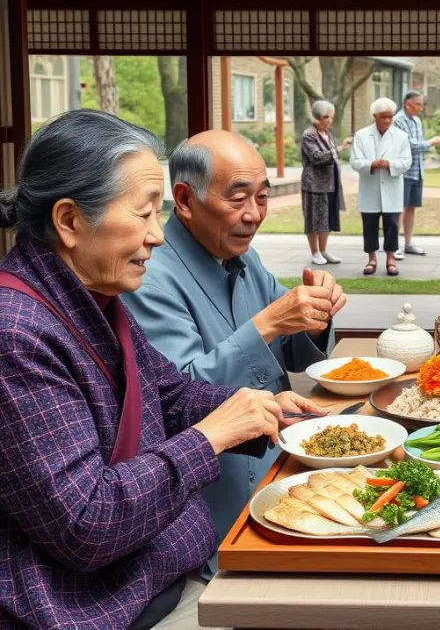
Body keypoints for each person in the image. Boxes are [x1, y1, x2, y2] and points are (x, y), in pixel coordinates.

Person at [0, 110, 320, 629]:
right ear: (69, 221)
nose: (157, 236)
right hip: (99, 609)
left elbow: (167, 392)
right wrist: (211, 436)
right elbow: (85, 523)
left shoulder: (93, 297)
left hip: (160, 578)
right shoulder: (17, 333)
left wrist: (254, 408)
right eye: (144, 214)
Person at [122, 129, 341, 576]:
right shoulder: (150, 276)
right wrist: (269, 323)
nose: (254, 215)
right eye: (238, 198)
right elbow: (176, 397)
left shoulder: (242, 257)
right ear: (183, 199)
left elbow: (298, 354)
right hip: (217, 496)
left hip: (284, 453)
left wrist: (316, 314)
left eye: (262, 197)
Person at [349, 97, 412, 277]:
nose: (387, 121)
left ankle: (391, 259)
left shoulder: (401, 137)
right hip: (370, 188)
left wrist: (390, 164)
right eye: (383, 117)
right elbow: (355, 161)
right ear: (375, 116)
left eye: (390, 117)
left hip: (392, 187)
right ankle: (372, 259)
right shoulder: (361, 135)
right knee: (369, 225)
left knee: (392, 224)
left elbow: (406, 161)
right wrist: (371, 164)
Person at [392, 90, 440, 260]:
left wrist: (428, 146)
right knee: (399, 208)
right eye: (418, 104)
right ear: (407, 104)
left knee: (411, 208)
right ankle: (393, 246)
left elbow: (418, 146)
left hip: (417, 171)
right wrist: (431, 142)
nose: (421, 108)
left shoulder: (416, 121)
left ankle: (408, 243)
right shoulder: (398, 120)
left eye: (422, 104)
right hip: (404, 172)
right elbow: (410, 145)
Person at [301, 99, 353, 265]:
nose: (330, 120)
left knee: (327, 218)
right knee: (313, 219)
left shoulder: (326, 134)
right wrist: (340, 148)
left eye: (331, 117)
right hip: (314, 185)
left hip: (330, 183)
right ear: (316, 118)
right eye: (326, 117)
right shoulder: (309, 134)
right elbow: (317, 157)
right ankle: (315, 252)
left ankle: (323, 250)